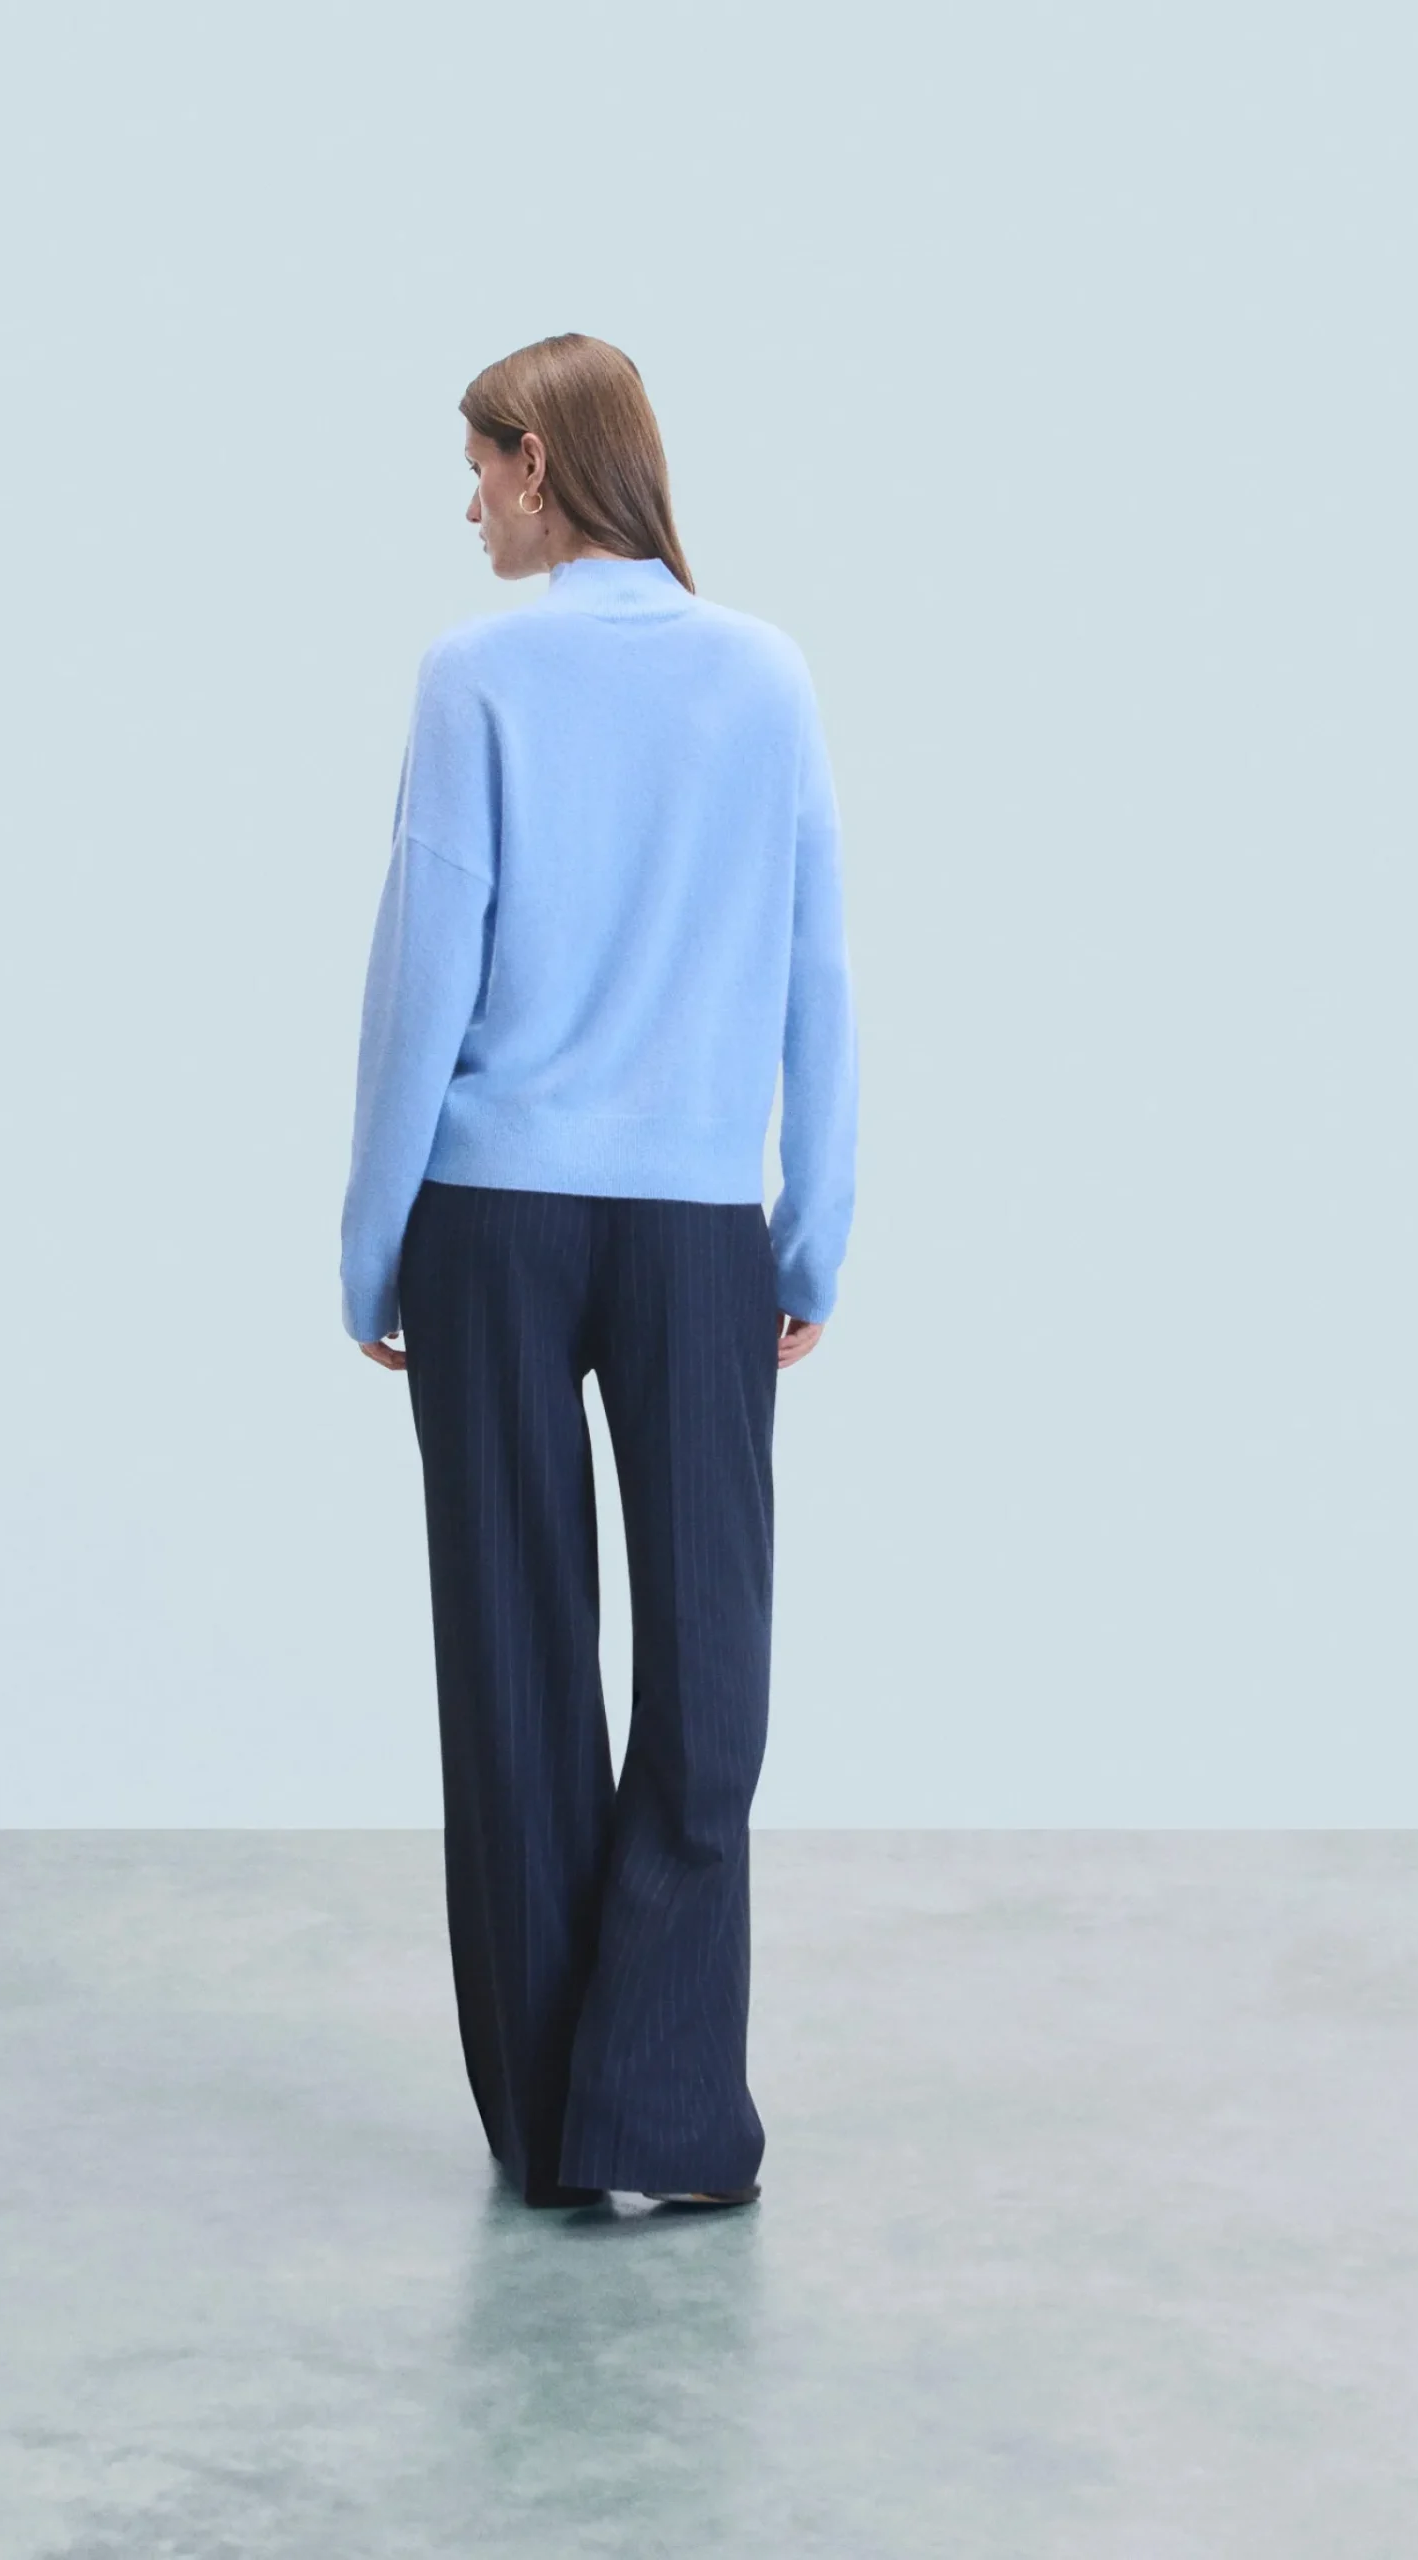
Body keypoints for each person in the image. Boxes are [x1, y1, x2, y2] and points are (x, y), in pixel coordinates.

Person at [338, 333, 859, 2211]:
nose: (468, 501)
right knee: (699, 1675)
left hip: (492, 1215)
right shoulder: (745, 675)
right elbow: (815, 974)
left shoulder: (497, 674)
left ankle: (584, 2115)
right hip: (690, 1223)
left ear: (540, 462)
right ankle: (619, 2118)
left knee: (521, 1663)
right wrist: (813, 1228)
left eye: (479, 465)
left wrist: (370, 1244)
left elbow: (423, 983)